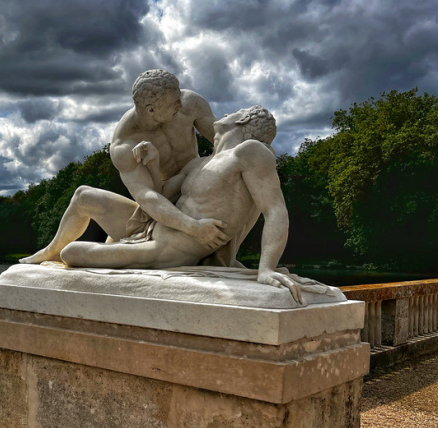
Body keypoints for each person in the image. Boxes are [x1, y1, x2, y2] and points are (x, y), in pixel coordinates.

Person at [22, 105, 301, 302]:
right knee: (84, 195)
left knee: (72, 253)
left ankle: (68, 251)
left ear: (243, 121)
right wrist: (154, 163)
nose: (226, 113)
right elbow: (163, 194)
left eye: (235, 111)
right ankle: (48, 251)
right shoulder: (201, 163)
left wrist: (266, 269)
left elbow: (274, 210)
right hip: (153, 225)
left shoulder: (250, 152)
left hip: (170, 247)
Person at [21, 70, 231, 264]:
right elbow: (149, 198)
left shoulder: (190, 103)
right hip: (162, 208)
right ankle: (53, 250)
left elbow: (226, 143)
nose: (181, 103)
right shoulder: (125, 144)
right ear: (151, 109)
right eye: (174, 102)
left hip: (199, 190)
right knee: (82, 196)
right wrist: (193, 227)